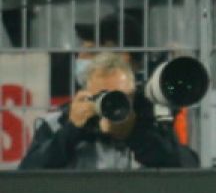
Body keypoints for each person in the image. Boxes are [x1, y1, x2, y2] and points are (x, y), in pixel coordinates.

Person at [19, 53, 198, 170]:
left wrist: (135, 135)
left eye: (121, 97)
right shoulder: (57, 123)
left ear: (133, 95)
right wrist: (71, 131)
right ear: (85, 95)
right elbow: (27, 177)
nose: (113, 105)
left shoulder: (149, 122)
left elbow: (187, 169)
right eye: (103, 97)